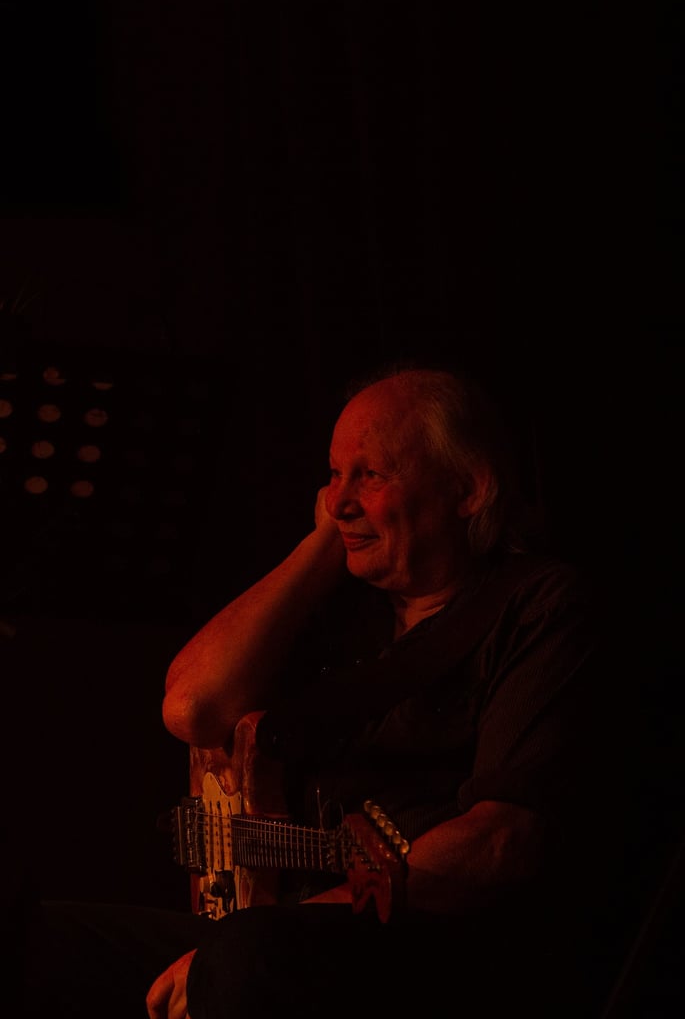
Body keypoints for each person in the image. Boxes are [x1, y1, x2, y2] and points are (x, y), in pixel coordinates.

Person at [25, 360, 638, 1018]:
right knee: (36, 944)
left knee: (244, 956)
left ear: (467, 489)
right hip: (282, 933)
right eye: (333, 475)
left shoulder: (541, 605)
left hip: (431, 946)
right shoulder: (337, 611)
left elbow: (499, 843)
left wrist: (299, 921)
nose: (340, 499)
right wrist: (323, 543)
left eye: (370, 475)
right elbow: (192, 708)